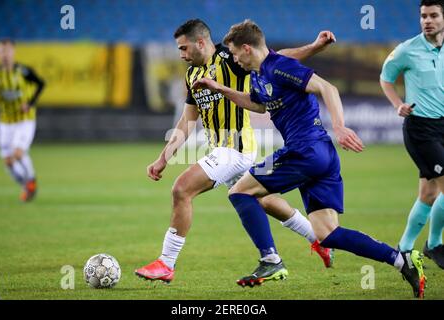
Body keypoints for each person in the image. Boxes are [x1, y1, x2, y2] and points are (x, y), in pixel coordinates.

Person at [194, 19, 427, 298]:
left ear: (246, 48)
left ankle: (270, 260)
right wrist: (221, 90)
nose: (232, 59)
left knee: (240, 191)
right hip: (321, 156)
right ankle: (402, 261)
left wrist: (340, 126)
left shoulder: (278, 66)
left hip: (303, 151)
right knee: (328, 234)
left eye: (233, 53)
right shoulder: (259, 74)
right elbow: (256, 103)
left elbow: (327, 88)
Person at [135, 19, 336, 284]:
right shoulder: (192, 75)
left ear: (201, 42)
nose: (181, 54)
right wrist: (163, 157)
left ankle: (166, 263)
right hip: (230, 152)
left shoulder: (229, 57)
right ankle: (317, 238)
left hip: (235, 148)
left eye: (184, 48)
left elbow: (275, 59)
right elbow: (186, 122)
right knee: (265, 201)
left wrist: (314, 47)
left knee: (181, 189)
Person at [380, 0, 444, 270]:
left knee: (429, 194)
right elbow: (386, 78)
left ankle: (404, 250)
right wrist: (398, 105)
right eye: (423, 16)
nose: (427, 20)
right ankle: (434, 244)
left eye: (433, 15)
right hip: (421, 129)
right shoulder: (407, 50)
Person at [0, 39, 45, 202]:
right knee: (8, 161)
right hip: (5, 121)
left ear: (13, 52)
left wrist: (30, 103)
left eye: (7, 51)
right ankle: (27, 185)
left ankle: (31, 181)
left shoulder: (23, 71)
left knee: (17, 153)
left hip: (24, 120)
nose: (4, 55)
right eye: (1, 51)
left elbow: (41, 84)